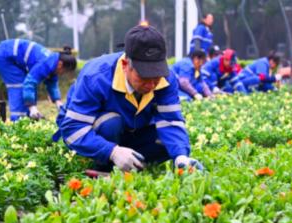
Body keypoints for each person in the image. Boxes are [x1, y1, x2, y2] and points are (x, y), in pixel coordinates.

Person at [56, 25, 203, 172]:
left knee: (168, 142)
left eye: (157, 77)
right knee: (111, 122)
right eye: (145, 77)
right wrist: (111, 151)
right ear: (126, 65)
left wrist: (181, 157)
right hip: (94, 131)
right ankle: (103, 167)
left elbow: (171, 121)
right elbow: (72, 129)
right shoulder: (96, 76)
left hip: (130, 131)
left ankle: (130, 164)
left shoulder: (167, 79)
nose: (151, 85)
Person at [0, 39, 76, 121]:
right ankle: (17, 121)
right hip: (5, 56)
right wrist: (32, 107)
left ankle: (28, 118)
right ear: (60, 64)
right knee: (18, 85)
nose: (63, 74)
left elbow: (52, 85)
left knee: (26, 85)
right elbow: (29, 83)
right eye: (65, 71)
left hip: (11, 56)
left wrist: (58, 103)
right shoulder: (45, 63)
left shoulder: (53, 63)